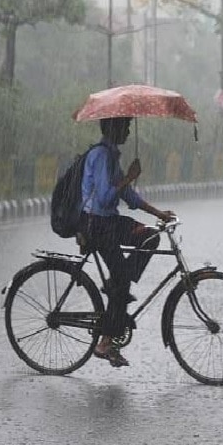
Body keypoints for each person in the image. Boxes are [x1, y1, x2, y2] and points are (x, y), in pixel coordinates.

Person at [80, 116, 175, 368]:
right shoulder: (101, 156)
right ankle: (105, 342)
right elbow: (104, 197)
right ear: (113, 128)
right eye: (126, 126)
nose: (129, 131)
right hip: (97, 225)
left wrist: (158, 214)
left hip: (109, 222)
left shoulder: (111, 156)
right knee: (122, 282)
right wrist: (129, 176)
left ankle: (117, 286)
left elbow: (127, 196)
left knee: (150, 235)